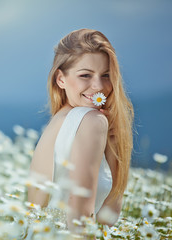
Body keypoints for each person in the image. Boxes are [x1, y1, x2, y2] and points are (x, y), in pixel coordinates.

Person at [27, 29, 134, 233]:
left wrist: (112, 147)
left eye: (106, 75)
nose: (98, 86)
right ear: (61, 79)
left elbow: (102, 218)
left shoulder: (60, 120)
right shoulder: (90, 121)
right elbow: (80, 220)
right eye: (85, 75)